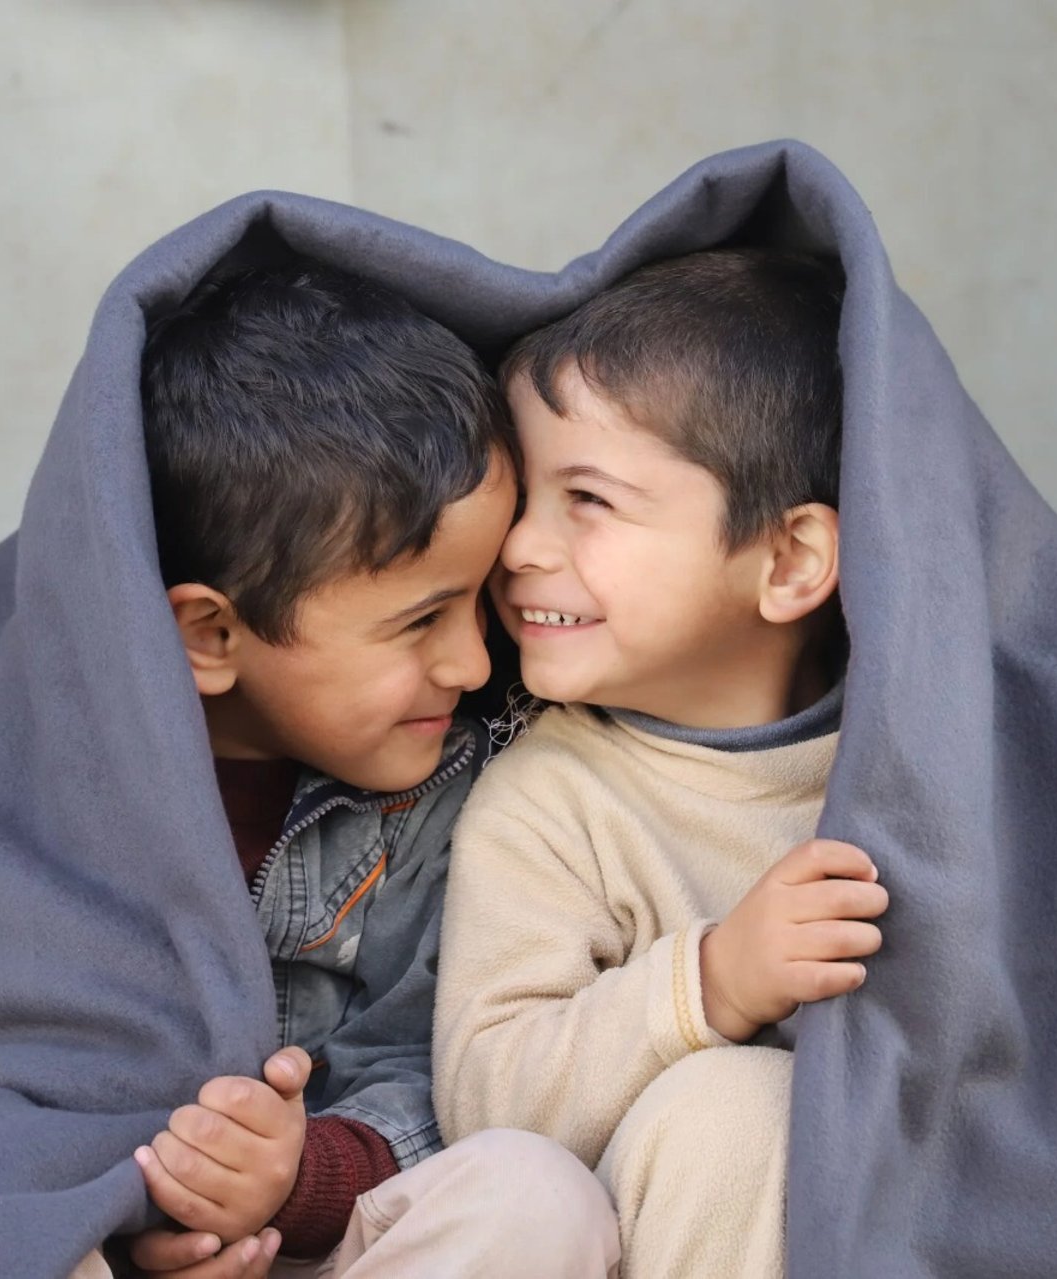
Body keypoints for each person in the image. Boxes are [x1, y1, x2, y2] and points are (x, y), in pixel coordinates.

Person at [104, 261, 619, 1279]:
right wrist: (126, 1220)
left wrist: (296, 1182)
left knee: (534, 1197)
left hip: (322, 1242)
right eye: (422, 619)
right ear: (211, 633)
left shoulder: (447, 784)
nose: (476, 664)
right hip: (103, 1228)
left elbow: (447, 1060)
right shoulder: (41, 773)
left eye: (479, 604)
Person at [433, 248, 887, 1278]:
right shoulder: (549, 800)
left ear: (788, 562)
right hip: (646, 1228)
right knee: (729, 1111)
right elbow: (485, 1100)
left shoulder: (910, 747)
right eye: (524, 497)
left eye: (585, 499)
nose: (516, 549)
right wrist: (711, 981)